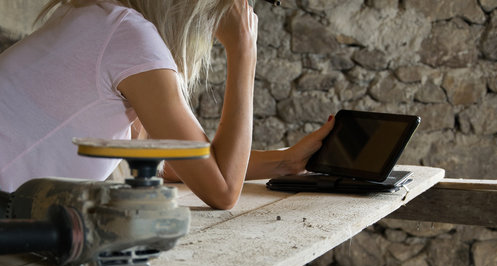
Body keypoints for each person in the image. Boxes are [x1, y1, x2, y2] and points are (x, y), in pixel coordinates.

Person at [0, 0, 334, 209]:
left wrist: (284, 162)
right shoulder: (129, 36)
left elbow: (172, 162)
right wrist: (244, 51)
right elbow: (222, 192)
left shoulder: (95, 14)